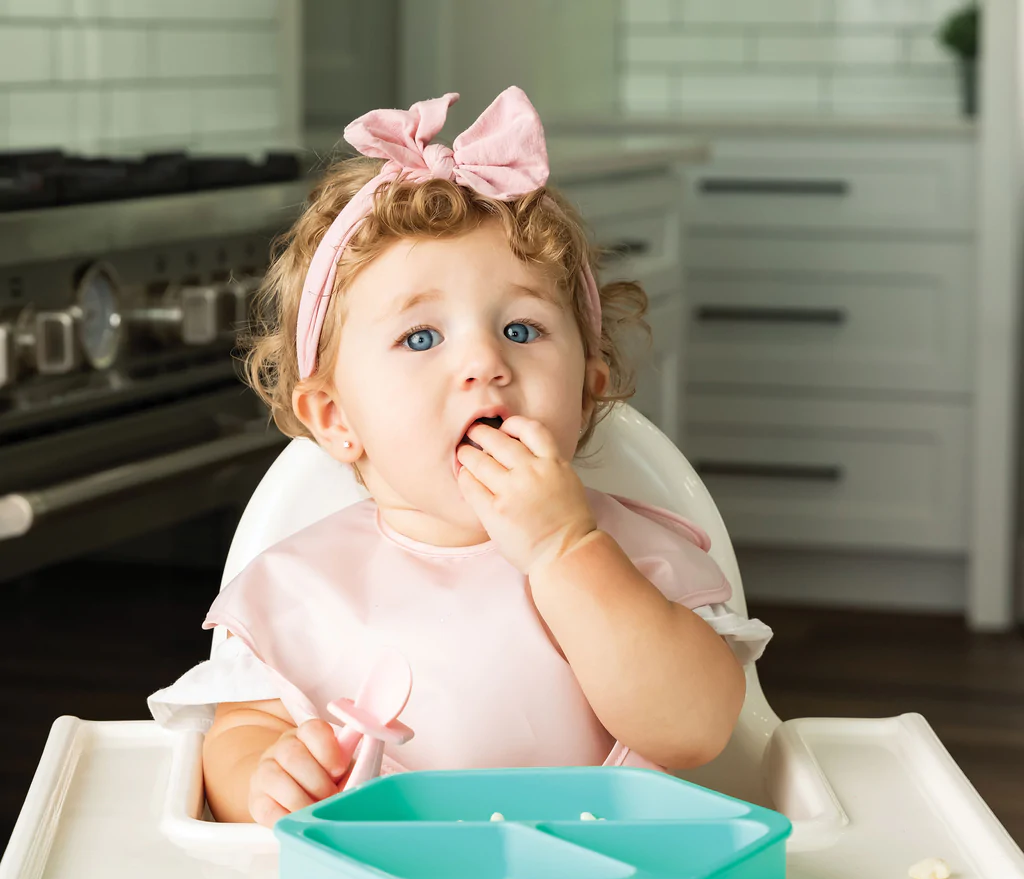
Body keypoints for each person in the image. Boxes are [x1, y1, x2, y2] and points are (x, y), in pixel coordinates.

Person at [148, 86, 771, 827]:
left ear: (586, 391)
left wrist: (566, 549)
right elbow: (237, 739)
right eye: (421, 338)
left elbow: (696, 731)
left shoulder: (636, 558)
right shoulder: (298, 587)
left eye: (522, 330)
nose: (483, 362)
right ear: (335, 418)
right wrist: (267, 776)